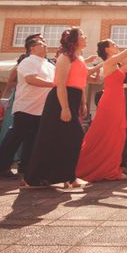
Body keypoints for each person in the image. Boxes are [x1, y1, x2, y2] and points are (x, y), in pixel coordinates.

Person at [76, 31, 127, 182]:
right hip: (111, 101)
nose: (116, 45)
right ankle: (108, 168)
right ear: (107, 49)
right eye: (113, 44)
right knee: (111, 134)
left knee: (117, 135)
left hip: (118, 100)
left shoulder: (116, 64)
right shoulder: (110, 62)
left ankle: (112, 166)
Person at [24, 27, 89, 188]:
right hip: (60, 101)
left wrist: (83, 102)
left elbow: (80, 82)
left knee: (66, 139)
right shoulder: (65, 57)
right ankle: (32, 179)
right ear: (74, 39)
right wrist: (65, 108)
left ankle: (67, 177)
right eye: (82, 35)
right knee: (56, 138)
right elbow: (60, 84)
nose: (85, 36)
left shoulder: (79, 58)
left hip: (73, 98)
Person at [0, 37, 55, 179]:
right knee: (16, 137)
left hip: (42, 108)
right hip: (26, 106)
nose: (45, 46)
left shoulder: (49, 64)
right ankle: (1, 167)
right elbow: (31, 79)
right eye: (41, 44)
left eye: (45, 44)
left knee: (33, 139)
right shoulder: (28, 61)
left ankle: (25, 167)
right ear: (32, 48)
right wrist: (54, 85)